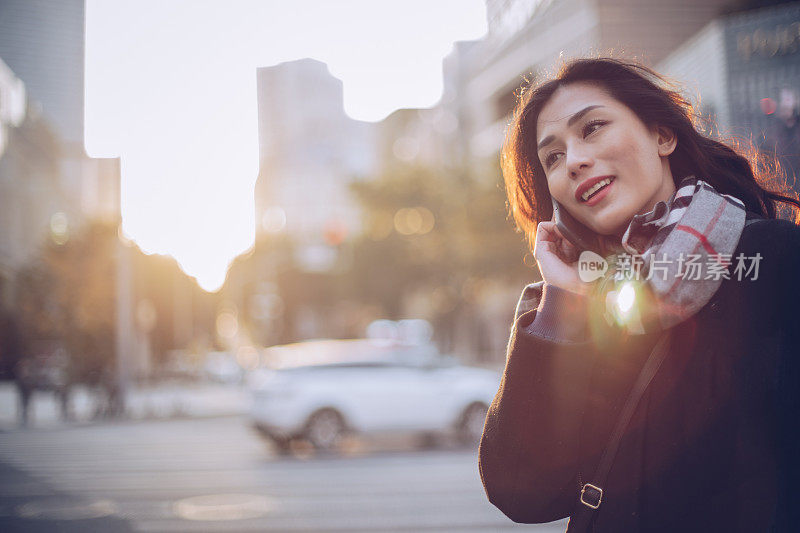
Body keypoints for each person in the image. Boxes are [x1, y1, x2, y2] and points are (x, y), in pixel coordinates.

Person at [478, 57, 800, 532]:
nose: (574, 161)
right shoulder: (570, 307)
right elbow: (523, 491)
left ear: (662, 136)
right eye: (552, 157)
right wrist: (564, 301)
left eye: (593, 128)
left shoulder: (772, 260)